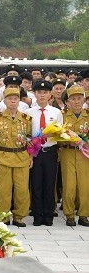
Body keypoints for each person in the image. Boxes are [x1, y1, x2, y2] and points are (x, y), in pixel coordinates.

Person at [0, 88, 31, 227]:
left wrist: (31, 156)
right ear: (4, 101)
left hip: (22, 157)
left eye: (15, 98)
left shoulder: (26, 119)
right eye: (9, 98)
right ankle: (4, 216)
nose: (13, 101)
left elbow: (30, 140)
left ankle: (19, 217)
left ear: (19, 100)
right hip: (3, 157)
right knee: (3, 190)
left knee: (22, 190)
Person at [25, 79, 63, 227]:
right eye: (39, 92)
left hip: (50, 151)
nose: (42, 95)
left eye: (45, 92)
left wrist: (52, 135)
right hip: (35, 152)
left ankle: (48, 215)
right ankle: (37, 214)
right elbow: (26, 133)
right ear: (34, 94)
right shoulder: (28, 113)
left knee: (49, 183)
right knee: (36, 183)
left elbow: (61, 132)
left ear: (50, 95)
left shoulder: (56, 112)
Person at [61, 85, 89, 227]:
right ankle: (69, 215)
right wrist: (67, 140)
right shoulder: (63, 116)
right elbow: (57, 136)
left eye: (79, 98)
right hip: (68, 152)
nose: (76, 101)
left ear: (83, 100)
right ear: (68, 102)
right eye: (73, 99)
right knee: (69, 185)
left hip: (84, 154)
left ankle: (83, 215)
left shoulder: (87, 116)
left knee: (85, 185)